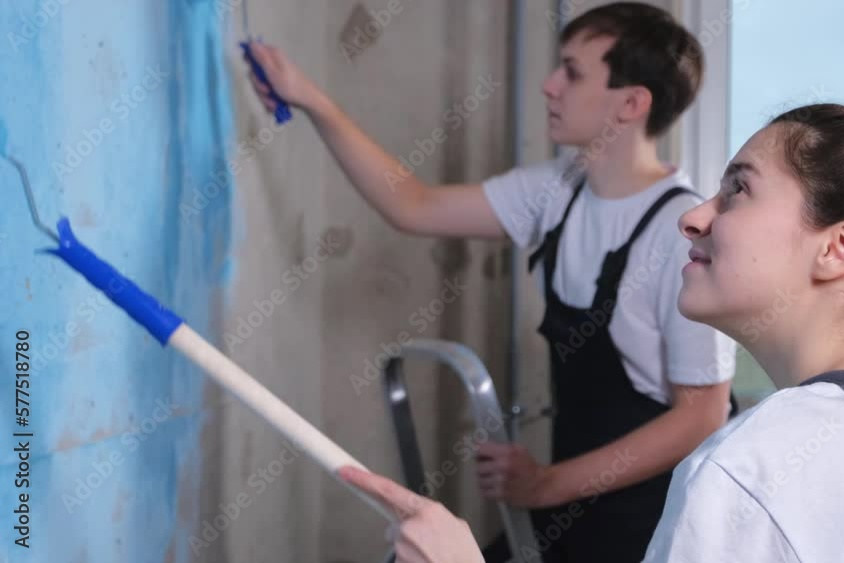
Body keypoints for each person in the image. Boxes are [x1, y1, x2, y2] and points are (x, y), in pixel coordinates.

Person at [341, 102, 844, 563]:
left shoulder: (756, 467)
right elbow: (414, 202)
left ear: (840, 247)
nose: (694, 217)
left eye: (738, 191)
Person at [244, 3, 736, 561]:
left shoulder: (681, 233)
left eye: (572, 72)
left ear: (631, 103)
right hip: (572, 505)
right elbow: (414, 205)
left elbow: (701, 416)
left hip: (653, 520)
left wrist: (546, 484)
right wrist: (313, 100)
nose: (550, 87)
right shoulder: (558, 191)